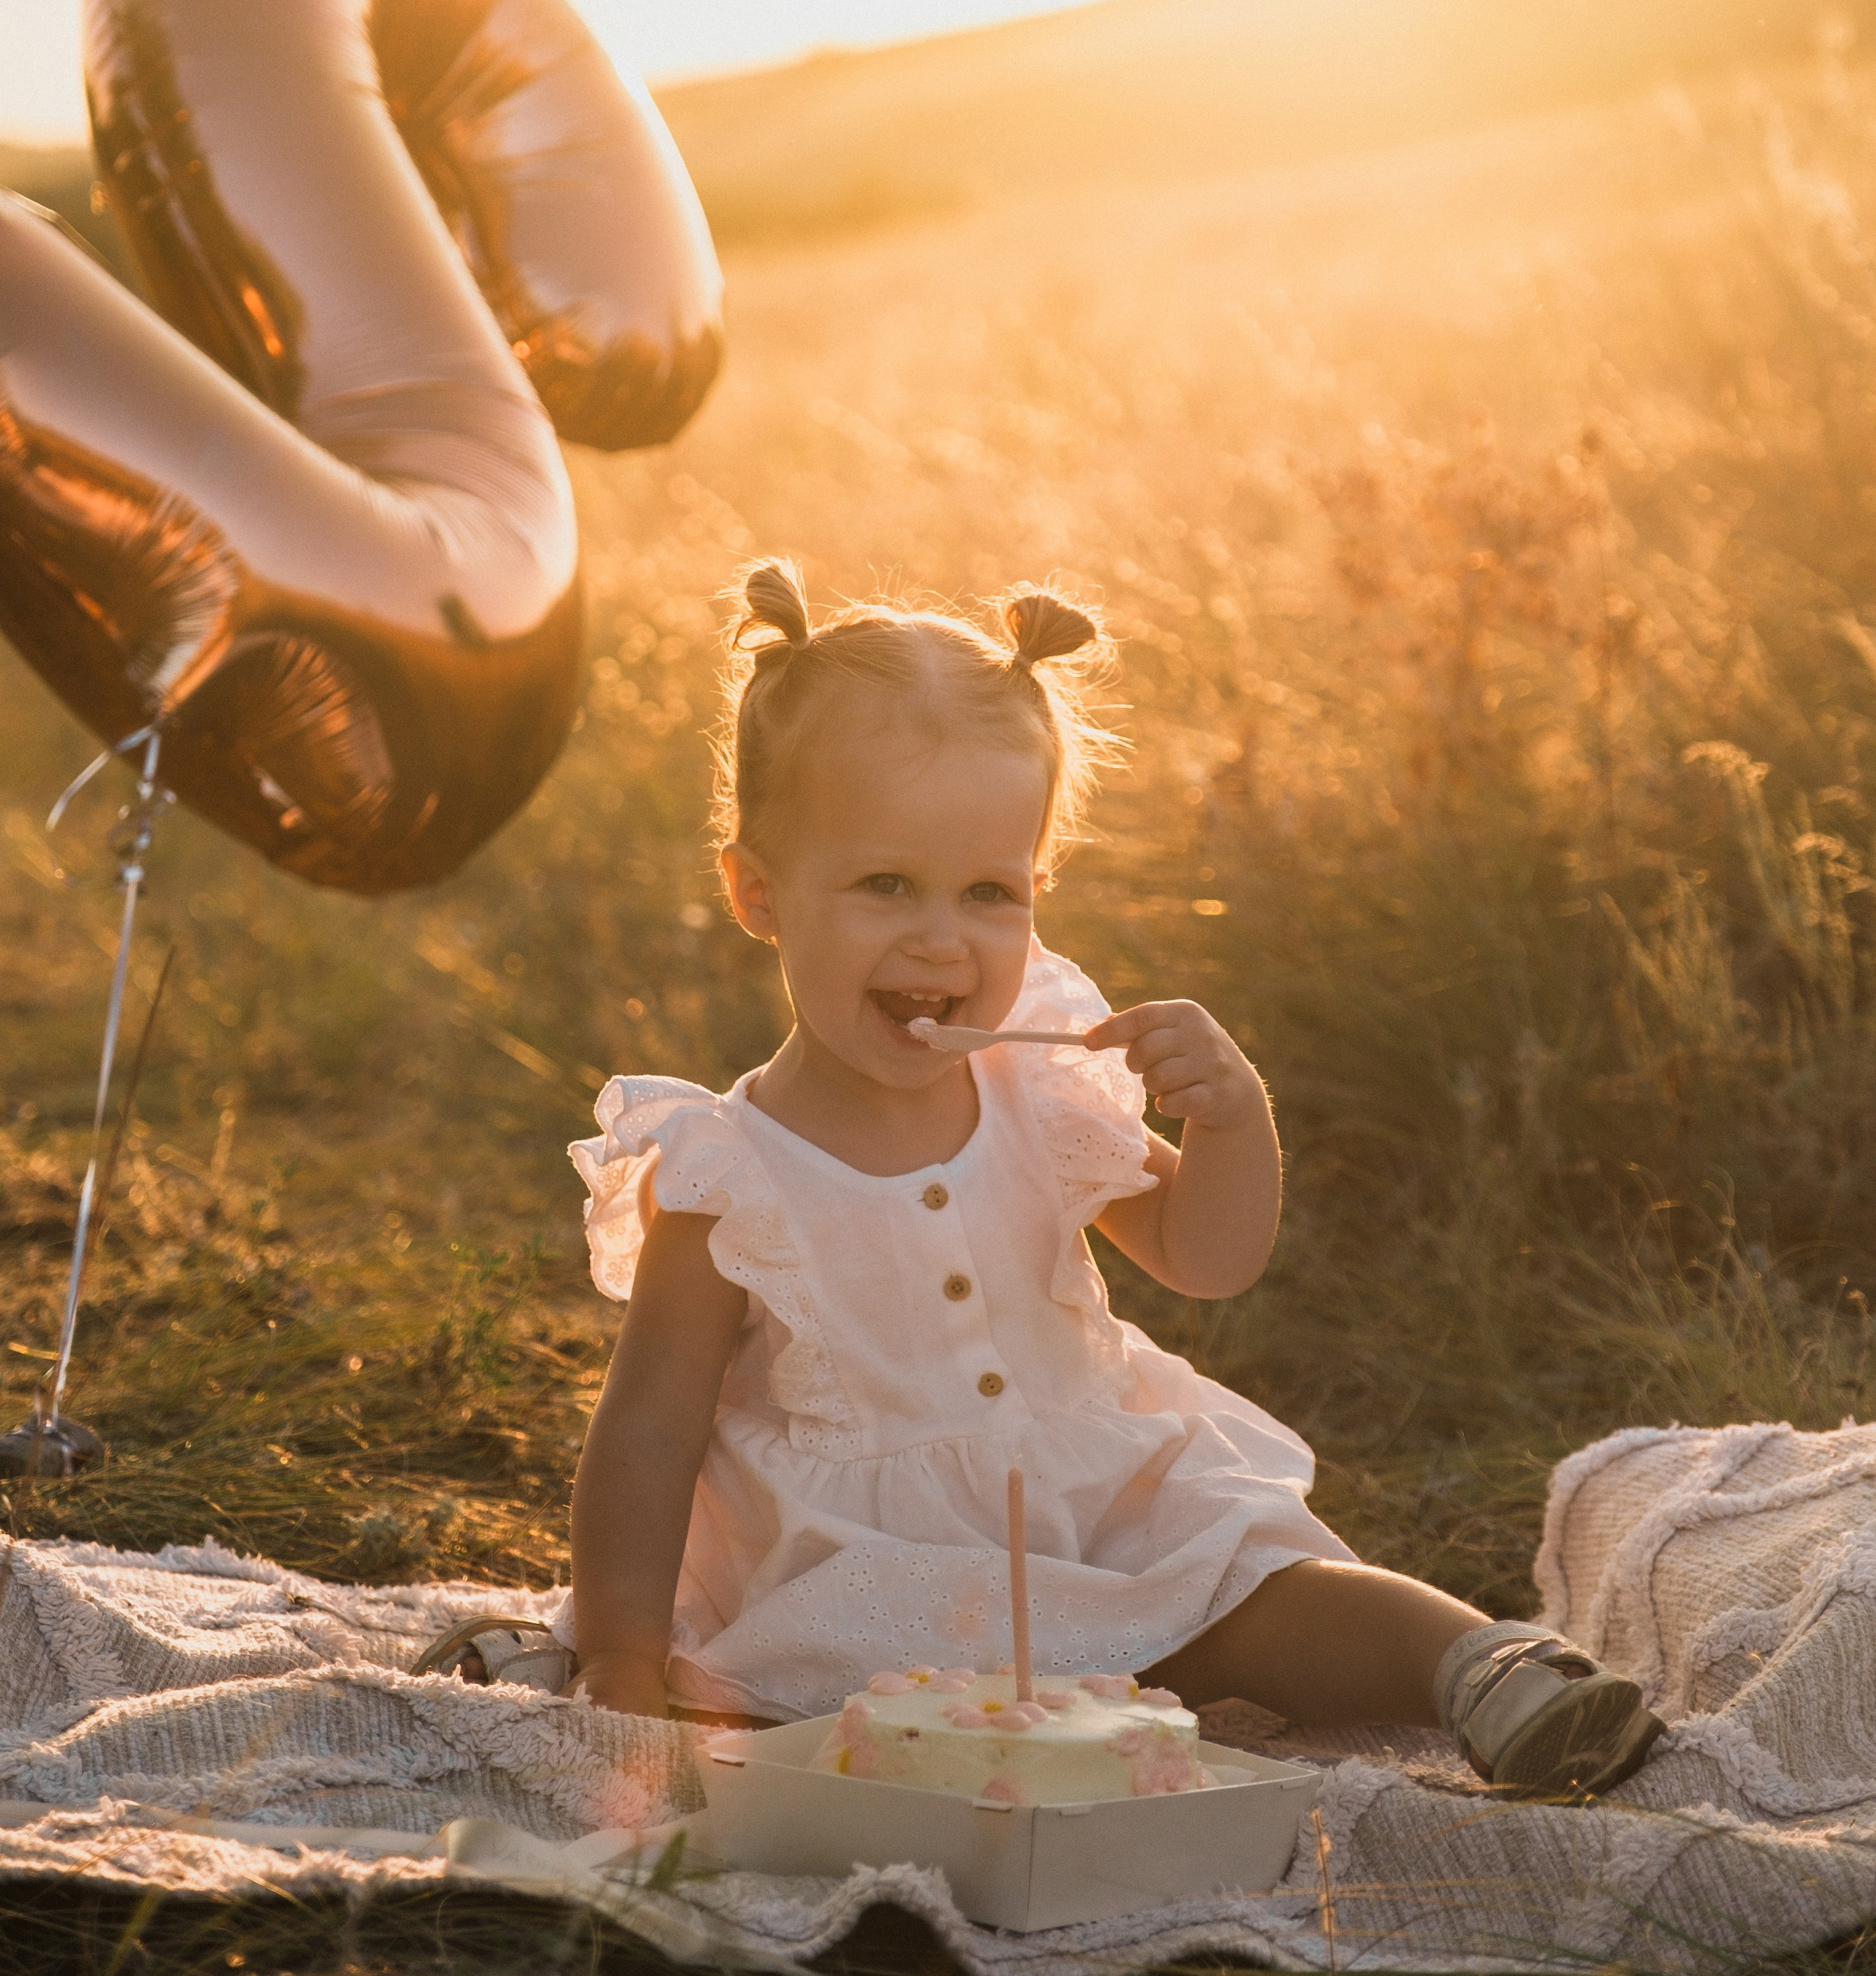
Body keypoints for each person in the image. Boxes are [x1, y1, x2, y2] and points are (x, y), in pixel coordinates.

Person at [559, 560, 1661, 1798]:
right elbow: (648, 1435)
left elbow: (1208, 1257)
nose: (941, 937)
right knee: (858, 1707)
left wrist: (1233, 1120)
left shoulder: (1041, 1095)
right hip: (875, 1569)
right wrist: (622, 1657)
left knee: (1242, 1577)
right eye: (885, 885)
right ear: (759, 893)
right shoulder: (731, 1180)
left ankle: (1485, 1672)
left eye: (989, 893)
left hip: (1096, 1496)